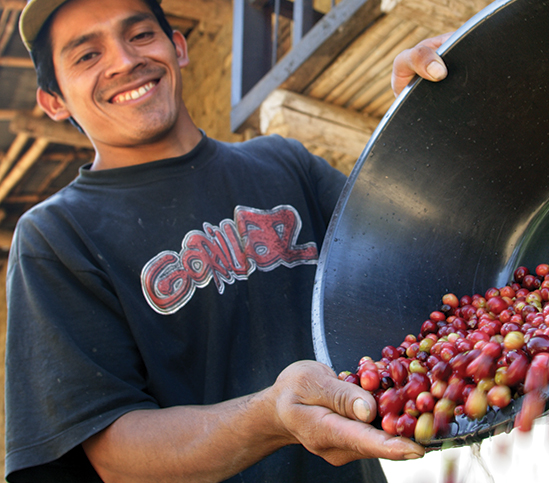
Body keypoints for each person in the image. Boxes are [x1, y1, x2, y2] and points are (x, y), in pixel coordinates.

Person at [4, 0, 451, 481]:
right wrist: (271, 417)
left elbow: (420, 260)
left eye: (139, 35)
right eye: (87, 55)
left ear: (178, 48)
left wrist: (424, 121)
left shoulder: (285, 164)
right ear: (53, 101)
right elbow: (110, 453)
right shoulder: (56, 235)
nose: (124, 60)